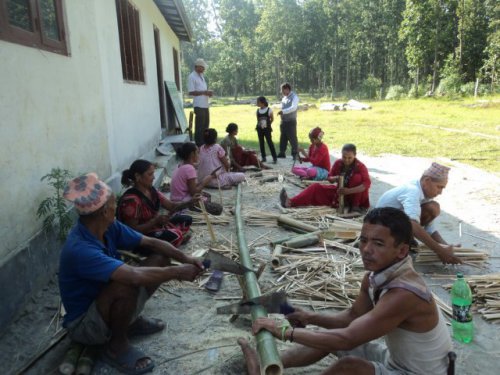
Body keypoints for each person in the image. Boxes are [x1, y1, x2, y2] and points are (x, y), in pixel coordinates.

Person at [251, 207, 452, 374]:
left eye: (378, 243)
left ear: (402, 251)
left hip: (417, 373)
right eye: (364, 240)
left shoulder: (404, 294)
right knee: (329, 336)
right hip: (396, 360)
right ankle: (268, 367)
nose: (366, 249)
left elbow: (347, 339)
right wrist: (309, 317)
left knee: (349, 368)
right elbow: (352, 316)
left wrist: (283, 331)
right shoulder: (376, 276)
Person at [59, 173, 204, 374]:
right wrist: (178, 272)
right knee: (126, 282)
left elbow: (151, 242)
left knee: (160, 258)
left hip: (102, 304)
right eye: (113, 204)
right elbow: (134, 276)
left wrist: (186, 259)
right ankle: (116, 346)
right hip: (85, 325)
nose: (116, 207)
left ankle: (128, 322)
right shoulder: (80, 249)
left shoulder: (109, 227)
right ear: (103, 212)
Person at [376, 162, 461, 265]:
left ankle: (407, 240)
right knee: (432, 208)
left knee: (433, 207)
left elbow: (430, 229)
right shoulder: (412, 191)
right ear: (427, 181)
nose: (440, 192)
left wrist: (446, 247)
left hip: (394, 224)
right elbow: (413, 224)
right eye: (439, 187)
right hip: (381, 228)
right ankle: (403, 241)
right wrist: (439, 250)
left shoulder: (424, 194)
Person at [117, 160, 194, 248]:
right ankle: (175, 238)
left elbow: (171, 206)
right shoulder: (131, 200)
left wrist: (189, 203)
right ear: (138, 176)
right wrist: (155, 221)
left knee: (186, 219)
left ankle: (173, 238)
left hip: (154, 227)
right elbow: (131, 231)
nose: (153, 177)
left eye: (153, 174)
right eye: (150, 174)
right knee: (175, 236)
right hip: (141, 237)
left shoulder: (151, 191)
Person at [281, 143, 371, 213]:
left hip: (356, 196)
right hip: (340, 193)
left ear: (355, 155)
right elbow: (329, 177)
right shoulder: (338, 163)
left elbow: (366, 184)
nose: (346, 160)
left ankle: (355, 206)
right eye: (344, 157)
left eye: (350, 158)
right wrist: (335, 178)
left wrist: (348, 191)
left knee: (357, 178)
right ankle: (291, 202)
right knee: (315, 187)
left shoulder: (360, 166)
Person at [170, 142, 223, 216]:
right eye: (197, 153)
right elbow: (194, 193)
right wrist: (205, 181)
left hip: (176, 200)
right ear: (192, 154)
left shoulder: (181, 165)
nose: (199, 155)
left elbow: (190, 186)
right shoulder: (189, 169)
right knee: (218, 209)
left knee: (207, 196)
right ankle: (195, 209)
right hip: (183, 203)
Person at [188, 58, 213, 146]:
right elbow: (191, 92)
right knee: (199, 126)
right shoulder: (192, 76)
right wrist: (204, 92)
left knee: (206, 125)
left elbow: (202, 90)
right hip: (199, 105)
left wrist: (208, 93)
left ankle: (205, 143)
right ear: (197, 67)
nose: (204, 69)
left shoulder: (201, 76)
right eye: (202, 67)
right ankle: (199, 144)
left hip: (205, 104)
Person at [277, 83, 299, 160]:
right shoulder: (284, 98)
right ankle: (282, 152)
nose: (281, 91)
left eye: (282, 90)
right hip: (283, 121)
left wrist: (284, 112)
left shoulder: (294, 97)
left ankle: (295, 154)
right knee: (283, 137)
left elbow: (293, 108)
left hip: (291, 121)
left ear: (287, 89)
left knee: (292, 137)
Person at [255, 96, 277, 164]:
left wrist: (268, 125)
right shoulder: (257, 110)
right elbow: (258, 120)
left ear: (263, 103)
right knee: (261, 143)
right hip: (259, 129)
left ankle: (274, 157)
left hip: (267, 129)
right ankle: (263, 157)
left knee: (269, 142)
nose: (257, 103)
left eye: (258, 102)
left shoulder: (269, 110)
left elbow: (272, 119)